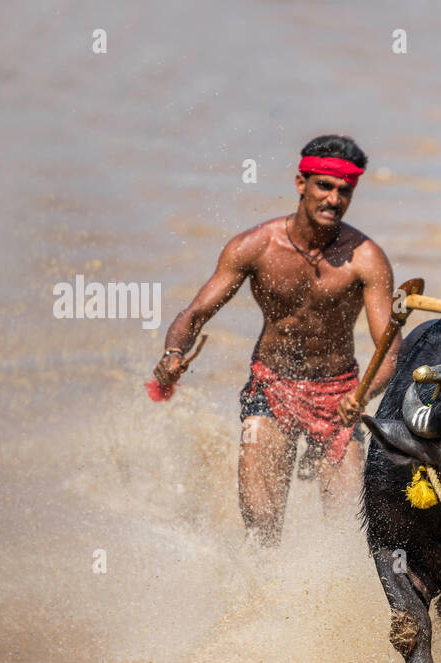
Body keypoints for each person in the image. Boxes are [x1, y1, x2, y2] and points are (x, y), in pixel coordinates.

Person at [151, 135, 397, 546]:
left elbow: (389, 347)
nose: (334, 199)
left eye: (345, 191)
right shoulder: (256, 246)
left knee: (350, 535)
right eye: (324, 186)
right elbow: (193, 314)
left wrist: (364, 394)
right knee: (260, 529)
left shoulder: (366, 258)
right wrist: (173, 353)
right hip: (272, 388)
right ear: (301, 183)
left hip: (339, 400)